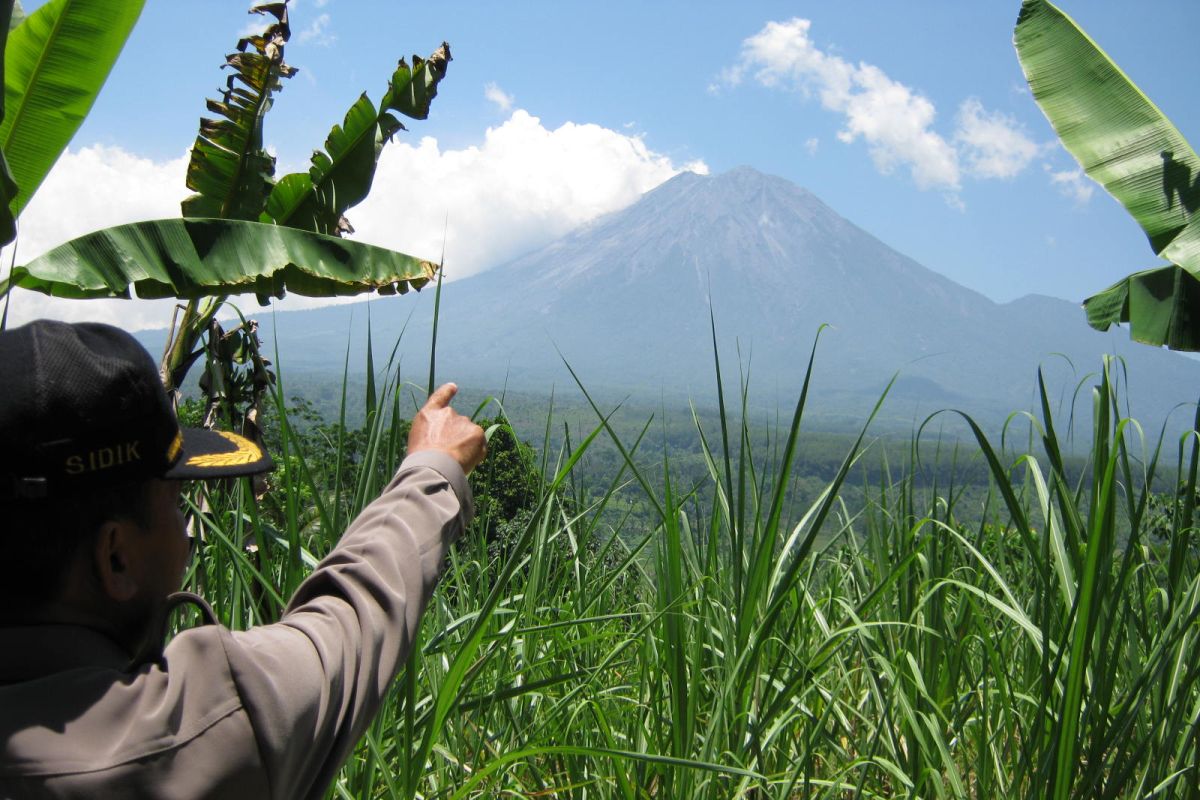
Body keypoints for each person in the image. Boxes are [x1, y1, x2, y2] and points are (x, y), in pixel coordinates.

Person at [0, 319, 487, 798]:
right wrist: (433, 465)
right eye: (175, 506)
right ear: (116, 557)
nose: (186, 537)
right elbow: (350, 623)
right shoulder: (191, 734)